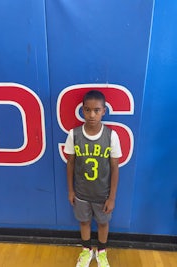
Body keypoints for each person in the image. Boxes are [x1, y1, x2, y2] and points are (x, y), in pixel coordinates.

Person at [64, 90, 122, 267]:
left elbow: (114, 167)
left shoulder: (111, 135)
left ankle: (102, 252)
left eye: (96, 110)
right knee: (84, 222)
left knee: (103, 224)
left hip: (102, 194)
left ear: (104, 111)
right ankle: (86, 250)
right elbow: (70, 164)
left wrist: (111, 198)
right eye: (87, 110)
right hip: (81, 193)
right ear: (82, 110)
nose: (92, 115)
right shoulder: (74, 134)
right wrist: (71, 190)